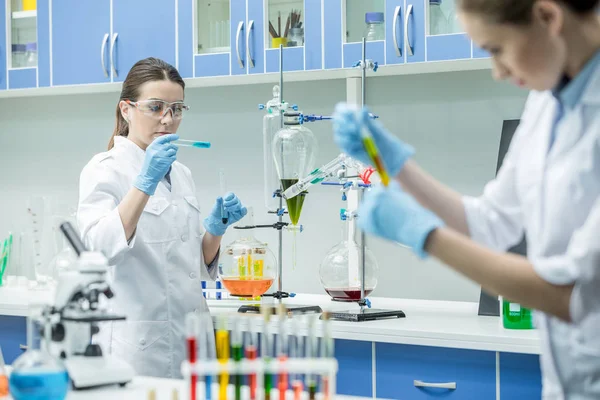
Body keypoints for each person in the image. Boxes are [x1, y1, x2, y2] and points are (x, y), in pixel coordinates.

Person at [333, 0, 600, 398]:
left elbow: (569, 295)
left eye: (496, 49)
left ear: (549, 17)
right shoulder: (547, 101)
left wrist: (427, 237)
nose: (497, 71)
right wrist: (397, 164)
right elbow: (489, 223)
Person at [77, 57, 247, 378]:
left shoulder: (181, 173)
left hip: (193, 338)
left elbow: (189, 267)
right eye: (155, 107)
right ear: (126, 109)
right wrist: (144, 183)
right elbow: (98, 250)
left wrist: (214, 231)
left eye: (177, 108)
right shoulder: (105, 168)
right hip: (140, 348)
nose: (167, 120)